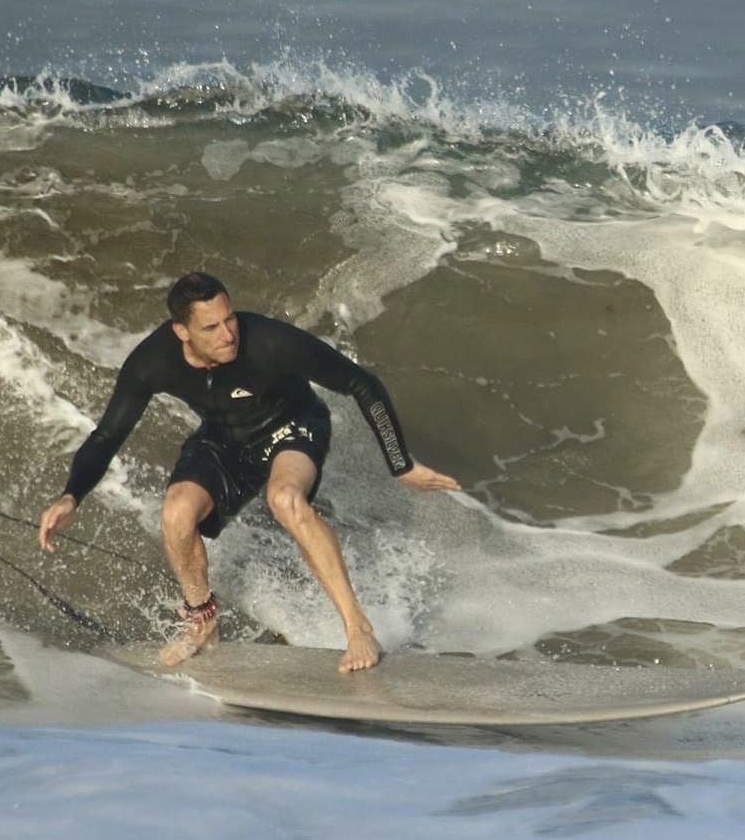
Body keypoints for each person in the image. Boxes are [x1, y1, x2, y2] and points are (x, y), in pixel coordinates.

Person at [38, 272, 459, 672]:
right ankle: (202, 622)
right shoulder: (152, 362)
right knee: (176, 513)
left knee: (285, 499)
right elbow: (109, 433)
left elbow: (361, 383)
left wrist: (400, 463)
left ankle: (358, 628)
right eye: (211, 328)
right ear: (181, 331)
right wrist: (71, 494)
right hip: (225, 438)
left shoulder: (271, 342)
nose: (228, 334)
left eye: (230, 319)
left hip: (293, 426)